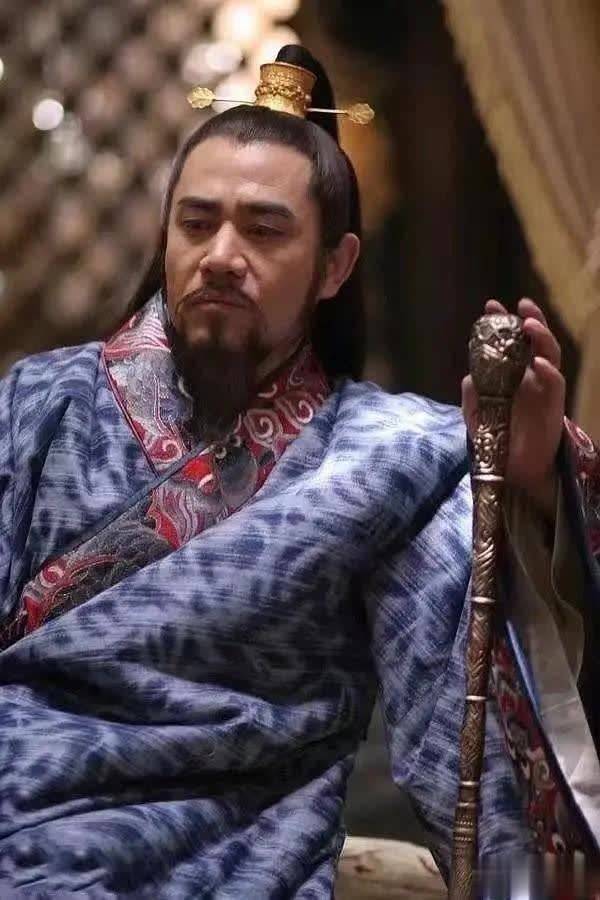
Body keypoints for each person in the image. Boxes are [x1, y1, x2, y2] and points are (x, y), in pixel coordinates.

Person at [0, 43, 596, 897]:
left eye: (264, 229)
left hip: (222, 849)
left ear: (334, 266)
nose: (220, 254)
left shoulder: (390, 458)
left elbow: (460, 715)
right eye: (196, 223)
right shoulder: (39, 402)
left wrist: (529, 479)